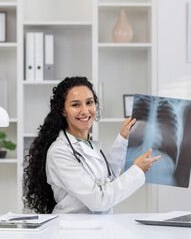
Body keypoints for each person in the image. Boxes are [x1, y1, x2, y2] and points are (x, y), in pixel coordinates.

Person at [23, 77, 160, 214]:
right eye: (76, 105)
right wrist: (137, 170)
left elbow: (108, 178)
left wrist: (123, 137)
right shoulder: (59, 151)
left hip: (99, 226)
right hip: (72, 230)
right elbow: (99, 201)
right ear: (63, 111)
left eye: (89, 102)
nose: (85, 111)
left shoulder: (88, 143)